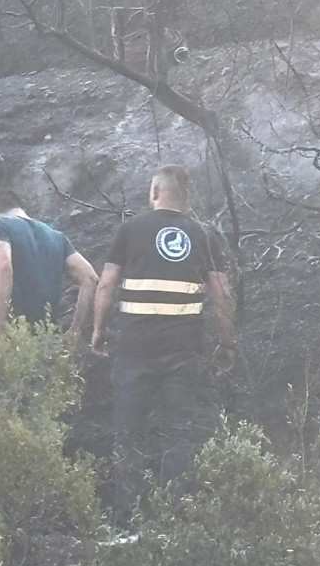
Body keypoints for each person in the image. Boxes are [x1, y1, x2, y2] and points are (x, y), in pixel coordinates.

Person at [91, 164, 236, 523]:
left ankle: (128, 519)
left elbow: (106, 284)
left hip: (134, 350)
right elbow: (221, 294)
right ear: (185, 196)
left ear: (155, 192)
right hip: (183, 353)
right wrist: (227, 342)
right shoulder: (204, 235)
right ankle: (172, 519)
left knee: (129, 434)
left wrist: (98, 328)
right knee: (179, 434)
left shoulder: (130, 229)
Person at [0, 188, 98, 336]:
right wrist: (75, 329)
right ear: (21, 207)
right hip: (49, 336)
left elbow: (3, 265)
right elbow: (90, 277)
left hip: (16, 337)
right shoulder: (57, 236)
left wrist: (0, 325)